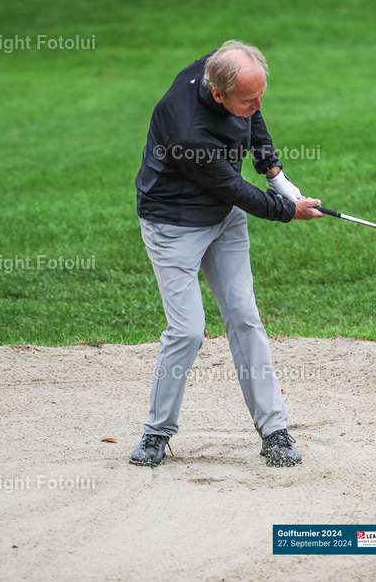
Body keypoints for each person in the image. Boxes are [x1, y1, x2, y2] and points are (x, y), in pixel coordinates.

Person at [130, 40, 322, 468]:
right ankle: (156, 432)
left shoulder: (223, 70)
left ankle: (274, 431)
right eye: (246, 100)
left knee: (244, 315)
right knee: (188, 331)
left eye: (260, 96)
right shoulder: (189, 130)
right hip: (174, 224)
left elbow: (254, 119)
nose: (256, 106)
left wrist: (276, 174)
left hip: (223, 219)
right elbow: (234, 190)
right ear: (218, 94)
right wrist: (289, 210)